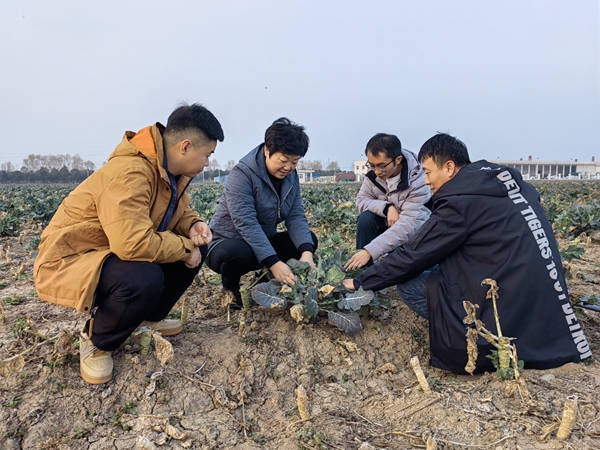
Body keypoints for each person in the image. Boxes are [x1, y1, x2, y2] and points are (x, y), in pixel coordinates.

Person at [343, 133, 592, 374]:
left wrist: (361, 281)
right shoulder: (499, 183)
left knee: (410, 285)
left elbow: (415, 254)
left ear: (449, 168)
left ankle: (467, 334)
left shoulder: (459, 203)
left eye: (429, 173)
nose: (427, 181)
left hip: (503, 298)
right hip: (535, 292)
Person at [34, 103, 224, 384]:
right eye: (207, 154)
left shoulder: (169, 170)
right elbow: (131, 244)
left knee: (197, 246)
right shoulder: (131, 172)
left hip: (111, 250)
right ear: (185, 147)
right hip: (73, 258)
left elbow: (177, 211)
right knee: (144, 277)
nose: (208, 162)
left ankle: (147, 319)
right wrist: (185, 247)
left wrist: (192, 225)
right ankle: (98, 341)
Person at [206, 117, 318, 307]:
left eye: (294, 162)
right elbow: (246, 222)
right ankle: (231, 292)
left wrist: (307, 253)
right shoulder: (243, 174)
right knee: (235, 252)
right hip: (225, 243)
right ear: (267, 150)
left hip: (261, 243)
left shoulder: (291, 178)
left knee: (308, 241)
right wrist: (274, 262)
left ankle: (263, 285)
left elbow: (296, 215)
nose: (288, 167)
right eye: (283, 160)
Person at [344, 133, 431, 270]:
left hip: (411, 234)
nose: (377, 171)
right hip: (387, 226)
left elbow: (408, 225)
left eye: (382, 166)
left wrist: (370, 251)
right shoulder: (372, 176)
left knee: (406, 279)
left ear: (398, 160)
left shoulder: (418, 181)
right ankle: (362, 274)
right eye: (372, 165)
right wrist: (387, 208)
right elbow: (361, 200)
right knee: (366, 219)